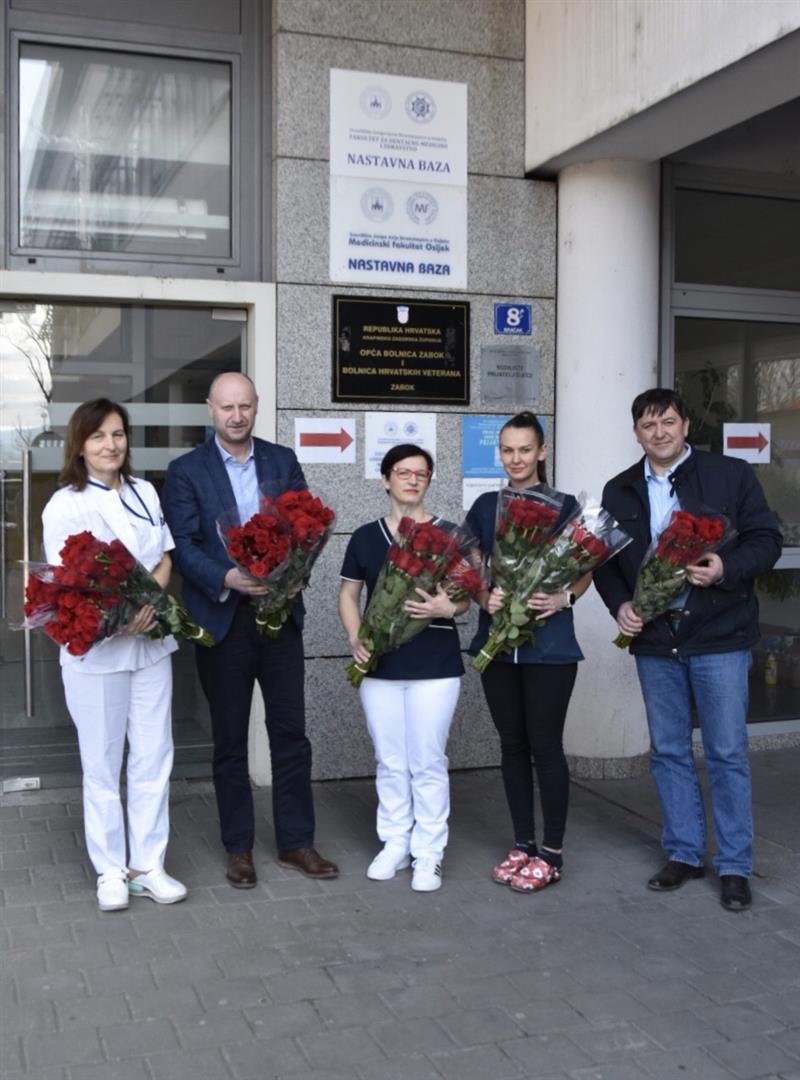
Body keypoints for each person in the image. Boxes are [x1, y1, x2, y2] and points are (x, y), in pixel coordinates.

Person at [594, 388, 782, 912]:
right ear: (636, 432)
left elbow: (766, 540)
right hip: (656, 640)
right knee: (669, 750)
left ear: (685, 425)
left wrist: (725, 567)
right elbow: (603, 561)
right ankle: (684, 851)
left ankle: (735, 865)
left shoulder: (729, 475)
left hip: (719, 633)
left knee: (726, 752)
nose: (659, 433)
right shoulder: (620, 489)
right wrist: (620, 606)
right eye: (648, 425)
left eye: (668, 422)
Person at [162, 372, 337, 888]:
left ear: (256, 407)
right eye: (227, 407)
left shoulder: (282, 460)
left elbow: (306, 526)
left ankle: (296, 842)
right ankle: (238, 847)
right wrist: (227, 577)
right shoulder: (186, 471)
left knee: (290, 735)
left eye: (245, 406)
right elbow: (184, 545)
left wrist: (292, 574)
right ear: (210, 409)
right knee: (230, 740)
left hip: (280, 617)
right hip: (223, 620)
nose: (236, 416)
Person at [42, 399, 186, 912]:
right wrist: (118, 617)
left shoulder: (145, 491)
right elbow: (68, 583)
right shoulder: (64, 504)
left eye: (118, 434)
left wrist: (145, 603)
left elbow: (164, 558)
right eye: (99, 436)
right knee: (102, 764)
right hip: (99, 651)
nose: (111, 444)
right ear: (80, 445)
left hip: (150, 644)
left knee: (153, 756)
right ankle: (110, 869)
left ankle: (147, 865)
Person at [466, 411, 591, 893]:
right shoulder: (485, 506)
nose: (515, 459)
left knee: (546, 745)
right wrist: (484, 596)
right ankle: (523, 845)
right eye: (507, 450)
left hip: (550, 649)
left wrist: (564, 598)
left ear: (542, 451)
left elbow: (587, 565)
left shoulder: (565, 507)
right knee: (512, 745)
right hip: (497, 649)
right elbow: (468, 565)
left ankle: (552, 854)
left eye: (524, 449)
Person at [338, 444, 468, 892]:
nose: (412, 480)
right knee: (390, 760)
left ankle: (429, 851)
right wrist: (356, 638)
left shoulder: (449, 534)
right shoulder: (365, 536)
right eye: (402, 472)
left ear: (429, 480)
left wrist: (447, 607)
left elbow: (466, 598)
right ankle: (395, 842)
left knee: (428, 760)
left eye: (421, 473)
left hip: (435, 665)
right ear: (385, 480)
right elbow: (349, 595)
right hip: (379, 666)